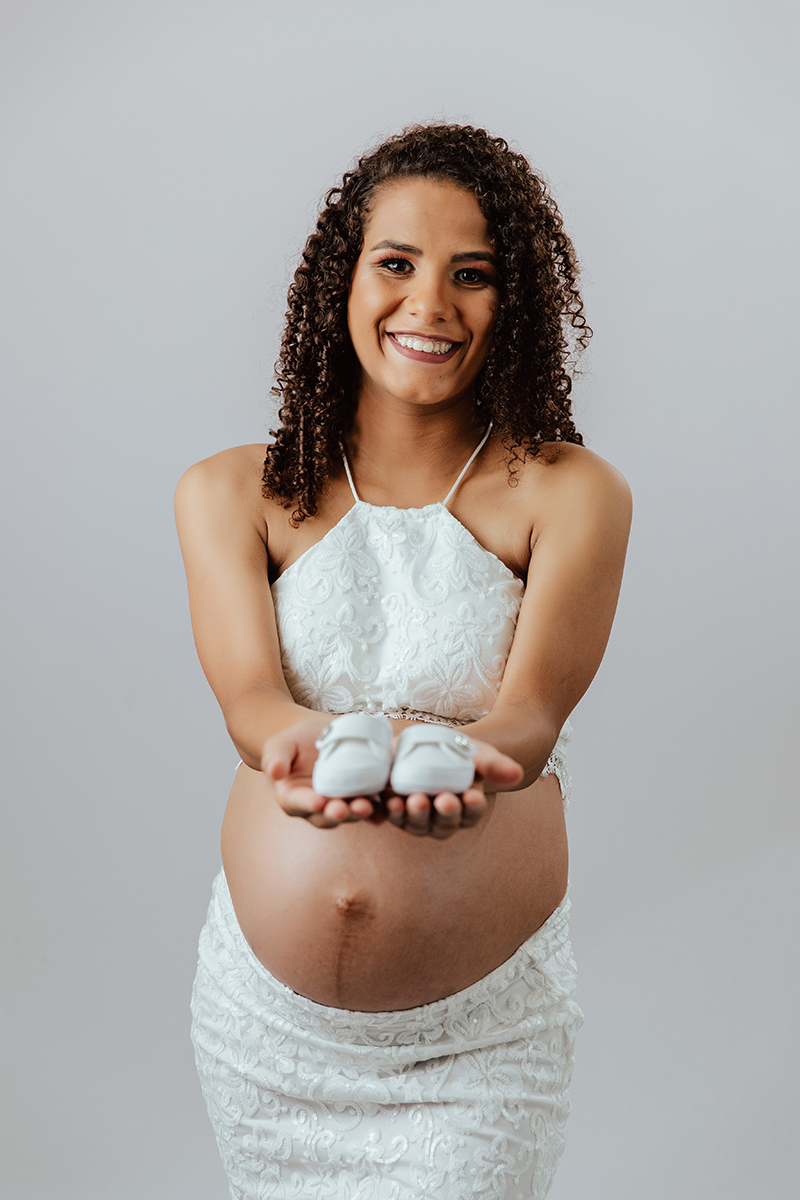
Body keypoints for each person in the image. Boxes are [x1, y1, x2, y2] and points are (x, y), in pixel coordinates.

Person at [175, 123, 631, 1200]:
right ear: (341, 278)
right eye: (396, 263)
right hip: (268, 1038)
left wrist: (467, 763)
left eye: (471, 275)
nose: (429, 304)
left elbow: (528, 719)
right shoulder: (229, 492)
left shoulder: (570, 493)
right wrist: (305, 746)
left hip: (476, 1044)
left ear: (514, 301)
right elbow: (250, 700)